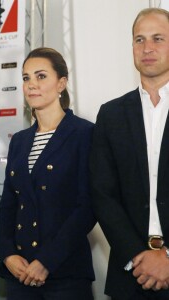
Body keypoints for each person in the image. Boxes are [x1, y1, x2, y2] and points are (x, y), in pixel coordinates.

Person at [0, 47, 96, 299]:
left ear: (61, 83)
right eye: (26, 77)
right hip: (19, 274)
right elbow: (8, 205)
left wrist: (47, 261)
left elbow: (88, 207)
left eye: (41, 76)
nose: (31, 85)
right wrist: (7, 255)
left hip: (65, 274)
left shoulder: (85, 134)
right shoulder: (19, 140)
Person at [90, 7, 169, 300]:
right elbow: (102, 193)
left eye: (158, 38)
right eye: (139, 39)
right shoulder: (111, 114)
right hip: (130, 274)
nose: (147, 48)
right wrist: (139, 254)